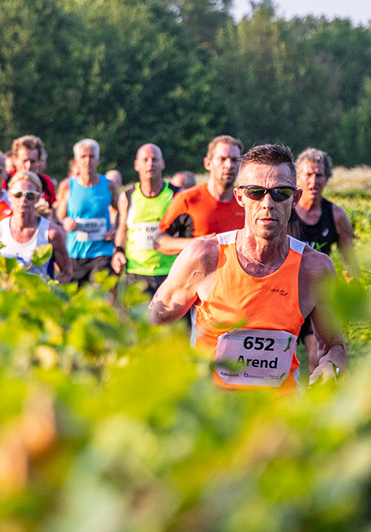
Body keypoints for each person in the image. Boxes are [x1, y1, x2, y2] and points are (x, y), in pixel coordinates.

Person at [148, 143, 346, 390]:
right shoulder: (204, 257)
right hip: (210, 409)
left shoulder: (314, 268)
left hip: (279, 410)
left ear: (295, 198)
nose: (267, 203)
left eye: (280, 193)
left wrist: (331, 367)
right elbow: (151, 324)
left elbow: (335, 347)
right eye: (255, 192)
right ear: (240, 197)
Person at [158, 135, 245, 256]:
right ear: (208, 163)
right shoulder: (186, 199)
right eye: (222, 159)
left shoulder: (247, 201)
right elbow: (159, 240)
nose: (229, 165)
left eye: (235, 160)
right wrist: (198, 244)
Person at [115, 143, 177, 299]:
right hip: (136, 272)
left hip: (170, 272)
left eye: (155, 159)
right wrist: (118, 251)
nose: (150, 164)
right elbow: (122, 229)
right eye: (145, 160)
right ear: (137, 165)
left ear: (163, 163)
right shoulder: (127, 197)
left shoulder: (176, 195)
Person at [56, 138, 120, 284]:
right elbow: (60, 216)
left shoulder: (109, 185)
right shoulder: (67, 186)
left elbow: (119, 210)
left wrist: (115, 227)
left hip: (102, 251)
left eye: (91, 156)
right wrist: (66, 221)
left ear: (98, 160)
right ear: (76, 161)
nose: (87, 161)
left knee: (99, 292)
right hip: (75, 253)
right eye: (83, 157)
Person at [0, 171, 71, 279]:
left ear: (38, 198)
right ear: (9, 195)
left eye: (30, 195)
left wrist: (51, 288)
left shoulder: (51, 233)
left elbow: (67, 272)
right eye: (18, 194)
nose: (23, 200)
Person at [288, 148, 358, 275]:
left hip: (320, 283)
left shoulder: (336, 216)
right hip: (286, 281)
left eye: (319, 175)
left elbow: (350, 264)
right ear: (297, 177)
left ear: (327, 178)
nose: (314, 181)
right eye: (308, 175)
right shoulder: (285, 211)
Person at [9, 136, 59, 205]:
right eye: (24, 161)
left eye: (32, 161)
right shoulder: (4, 181)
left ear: (39, 161)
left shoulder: (46, 183)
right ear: (15, 160)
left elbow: (52, 208)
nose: (29, 165)